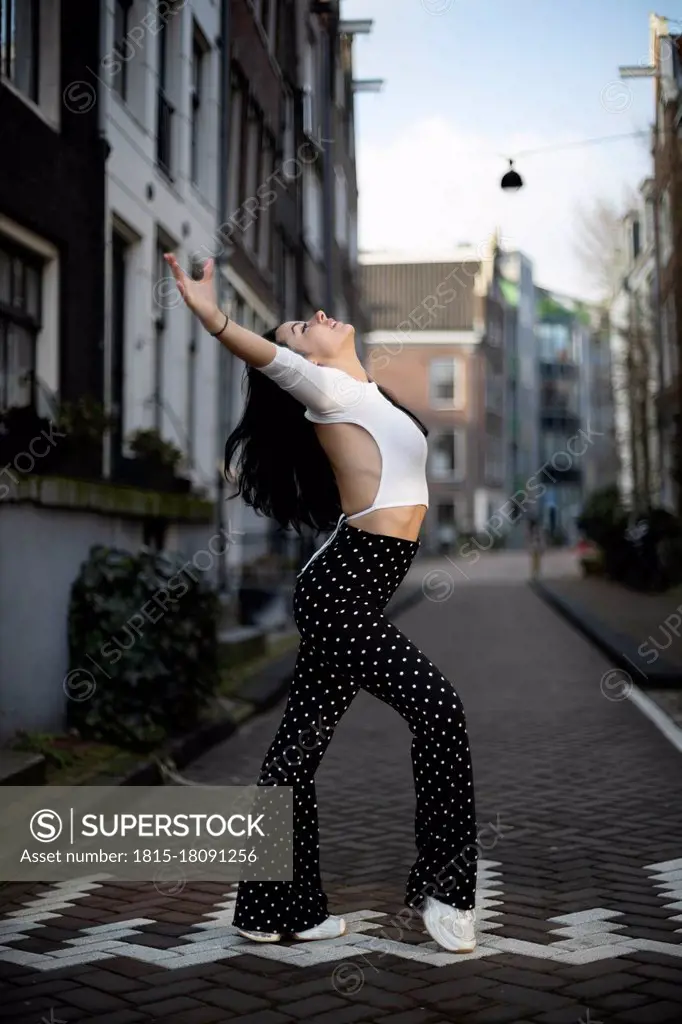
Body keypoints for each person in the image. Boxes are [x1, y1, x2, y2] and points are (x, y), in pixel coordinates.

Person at [164, 254, 477, 954]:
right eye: (305, 327)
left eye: (311, 318)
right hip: (343, 592)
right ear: (302, 356)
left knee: (296, 750)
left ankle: (271, 907)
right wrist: (211, 313)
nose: (320, 320)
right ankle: (444, 890)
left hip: (345, 583)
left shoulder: (367, 396)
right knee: (440, 707)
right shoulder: (325, 390)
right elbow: (264, 353)